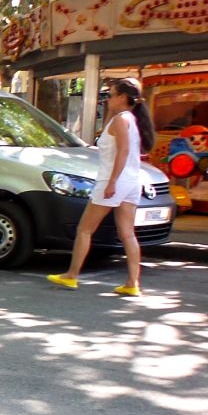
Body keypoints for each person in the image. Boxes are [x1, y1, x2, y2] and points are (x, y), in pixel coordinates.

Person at [48, 78, 155, 297]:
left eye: (112, 94)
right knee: (127, 233)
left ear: (123, 98)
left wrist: (113, 182)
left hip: (113, 180)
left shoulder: (120, 121)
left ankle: (72, 275)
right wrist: (110, 109)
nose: (107, 98)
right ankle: (133, 283)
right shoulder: (128, 119)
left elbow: (123, 152)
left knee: (85, 229)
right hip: (132, 181)